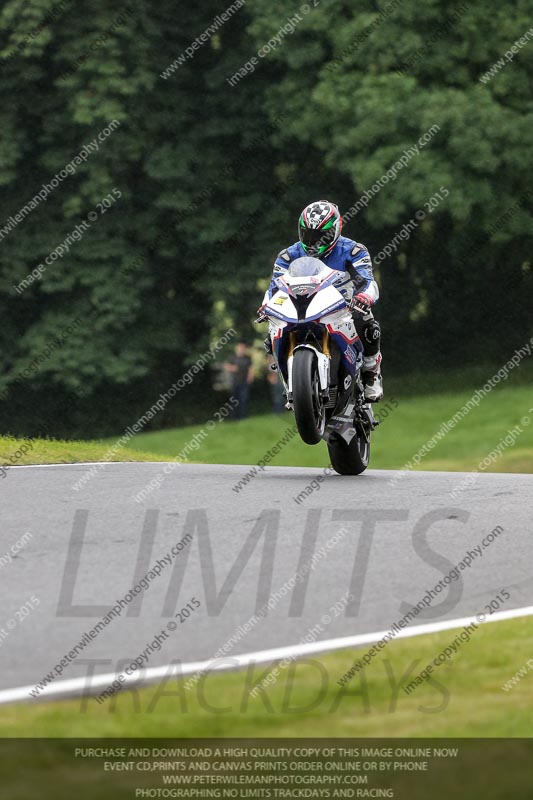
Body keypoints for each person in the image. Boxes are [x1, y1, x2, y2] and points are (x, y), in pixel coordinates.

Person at [259, 200, 383, 401]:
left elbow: (368, 282)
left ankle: (371, 373)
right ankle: (292, 383)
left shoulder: (354, 251)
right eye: (307, 234)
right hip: (302, 307)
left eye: (319, 235)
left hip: (344, 308)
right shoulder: (287, 255)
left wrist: (364, 297)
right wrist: (266, 305)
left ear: (335, 230)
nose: (313, 240)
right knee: (270, 334)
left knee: (368, 324)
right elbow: (273, 288)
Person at [224, 342, 255, 419]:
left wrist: (250, 377)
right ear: (237, 348)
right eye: (240, 348)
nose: (241, 349)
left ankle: (243, 416)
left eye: (243, 348)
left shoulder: (247, 358)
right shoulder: (232, 357)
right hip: (235, 382)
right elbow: (226, 366)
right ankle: (234, 417)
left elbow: (251, 369)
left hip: (244, 382)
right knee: (234, 399)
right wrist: (233, 368)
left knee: (243, 399)